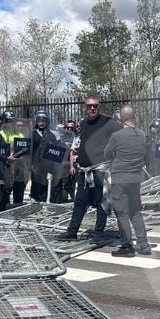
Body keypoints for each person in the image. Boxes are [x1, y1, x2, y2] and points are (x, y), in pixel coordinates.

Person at [56, 96, 119, 242]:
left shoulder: (108, 122)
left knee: (102, 202)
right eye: (89, 106)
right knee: (80, 201)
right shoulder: (83, 123)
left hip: (100, 170)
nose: (92, 108)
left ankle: (98, 234)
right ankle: (72, 231)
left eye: (95, 105)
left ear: (99, 106)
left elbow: (120, 140)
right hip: (84, 171)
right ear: (84, 107)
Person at [104, 105, 150, 257]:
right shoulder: (142, 135)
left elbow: (107, 154)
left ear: (121, 119)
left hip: (120, 178)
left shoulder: (117, 136)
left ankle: (127, 245)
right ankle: (144, 244)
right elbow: (145, 155)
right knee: (136, 211)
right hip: (135, 178)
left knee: (122, 213)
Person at [0, 112, 29, 205]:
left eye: (11, 120)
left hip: (17, 164)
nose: (9, 122)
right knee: (5, 190)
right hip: (4, 164)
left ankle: (17, 207)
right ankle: (4, 207)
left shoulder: (19, 133)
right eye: (7, 120)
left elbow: (23, 147)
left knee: (18, 187)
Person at [30, 110, 57, 202]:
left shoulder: (51, 135)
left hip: (47, 165)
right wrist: (31, 163)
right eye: (39, 121)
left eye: (43, 121)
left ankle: (44, 203)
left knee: (46, 186)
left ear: (47, 122)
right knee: (36, 186)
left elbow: (54, 150)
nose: (41, 123)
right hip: (35, 165)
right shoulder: (33, 134)